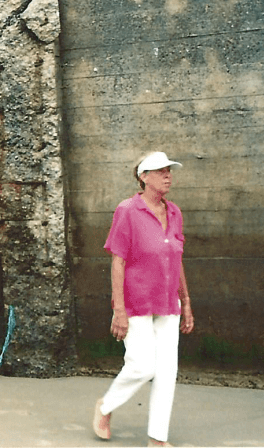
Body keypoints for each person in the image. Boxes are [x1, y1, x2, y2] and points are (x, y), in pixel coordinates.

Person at [93, 151, 195, 447]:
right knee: (141, 366)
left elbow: (177, 260)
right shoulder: (127, 210)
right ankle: (105, 406)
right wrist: (118, 310)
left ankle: (157, 439)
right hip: (135, 300)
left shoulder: (174, 212)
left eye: (169, 170)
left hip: (168, 302)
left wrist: (185, 302)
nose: (168, 175)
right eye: (161, 171)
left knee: (167, 372)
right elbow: (118, 262)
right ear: (143, 177)